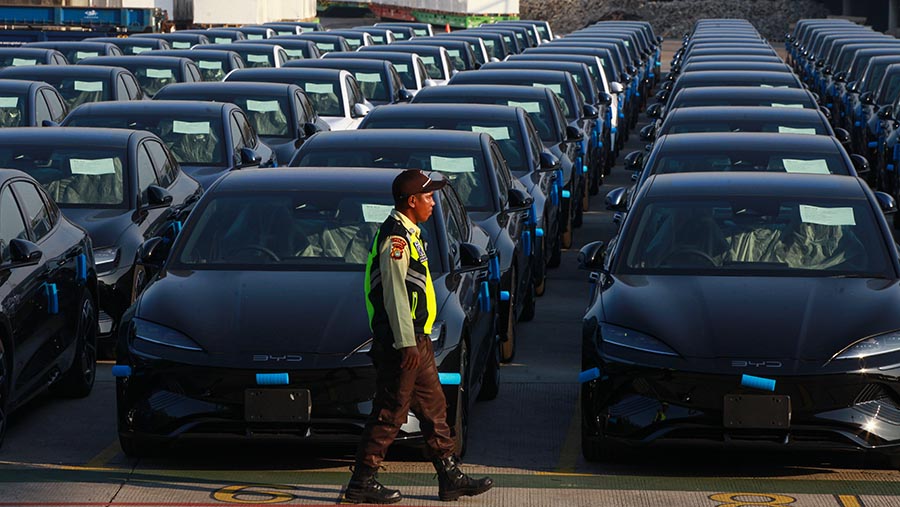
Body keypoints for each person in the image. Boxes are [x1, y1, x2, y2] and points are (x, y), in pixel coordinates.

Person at [345, 169, 493, 504]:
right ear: (411, 201)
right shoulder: (395, 239)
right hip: (403, 342)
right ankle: (362, 481)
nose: (432, 202)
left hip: (418, 339)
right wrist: (406, 342)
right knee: (391, 410)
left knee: (434, 407)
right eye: (428, 197)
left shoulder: (412, 233)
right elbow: (396, 294)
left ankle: (449, 476)